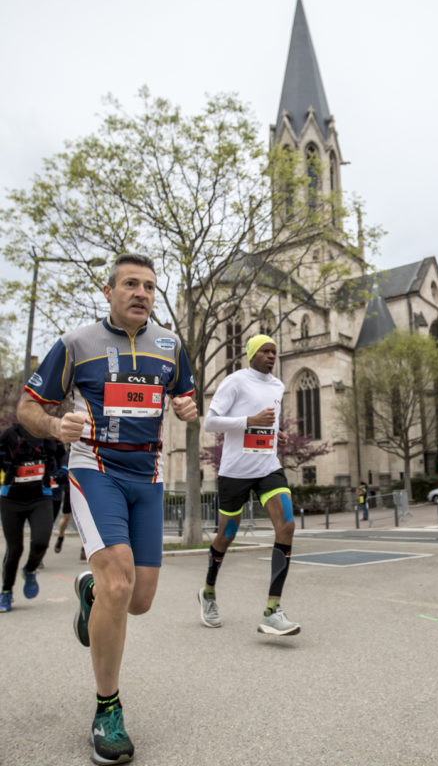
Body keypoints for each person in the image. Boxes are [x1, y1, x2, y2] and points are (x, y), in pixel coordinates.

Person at [17, 253, 197, 765]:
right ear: (109, 291)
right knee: (120, 584)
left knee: (137, 601)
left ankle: (89, 590)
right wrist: (54, 427)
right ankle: (107, 708)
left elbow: (185, 398)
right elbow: (28, 406)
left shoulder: (170, 346)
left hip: (149, 475)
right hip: (94, 469)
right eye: (131, 285)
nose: (141, 293)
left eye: (149, 286)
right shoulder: (77, 344)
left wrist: (188, 407)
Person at [199, 333, 300, 636]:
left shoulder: (279, 386)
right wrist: (251, 420)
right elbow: (211, 422)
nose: (271, 356)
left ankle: (272, 609)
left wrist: (278, 434)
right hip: (235, 470)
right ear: (252, 354)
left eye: (274, 351)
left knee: (287, 525)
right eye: (265, 351)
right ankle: (208, 592)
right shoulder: (235, 382)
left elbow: (269, 422)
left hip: (267, 467)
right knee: (226, 534)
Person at [0, 423, 59, 612]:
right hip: (12, 499)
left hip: (40, 497)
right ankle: (6, 591)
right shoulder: (10, 434)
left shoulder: (47, 433)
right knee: (15, 549)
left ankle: (30, 569)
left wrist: (63, 469)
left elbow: (61, 453)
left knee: (41, 541)